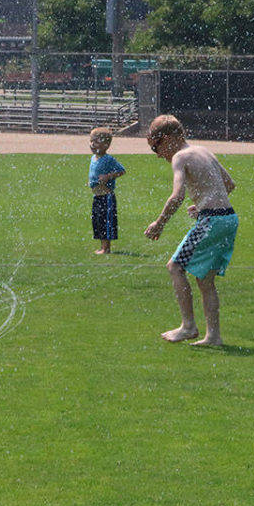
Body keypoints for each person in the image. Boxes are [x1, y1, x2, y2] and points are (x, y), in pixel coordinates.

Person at [144, 115, 238, 346]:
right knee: (205, 280)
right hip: (229, 219)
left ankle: (188, 326)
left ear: (165, 139)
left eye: (156, 148)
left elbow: (177, 196)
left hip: (212, 221)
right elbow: (229, 184)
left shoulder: (179, 156)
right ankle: (213, 336)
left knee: (175, 267)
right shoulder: (203, 151)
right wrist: (205, 201)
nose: (158, 155)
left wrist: (159, 223)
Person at [88, 127, 125, 255]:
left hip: (106, 196)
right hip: (97, 196)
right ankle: (102, 246)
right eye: (91, 141)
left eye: (96, 142)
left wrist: (108, 177)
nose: (92, 144)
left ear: (106, 145)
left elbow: (121, 171)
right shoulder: (93, 158)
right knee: (97, 220)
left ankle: (106, 248)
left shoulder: (109, 159)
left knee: (106, 221)